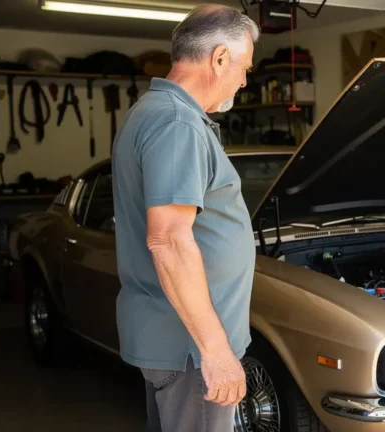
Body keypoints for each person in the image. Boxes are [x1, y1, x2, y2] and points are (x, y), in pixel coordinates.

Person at [111, 4, 260, 431]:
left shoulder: (156, 111)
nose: (245, 80)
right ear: (218, 58)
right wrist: (215, 352)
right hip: (191, 349)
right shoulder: (177, 122)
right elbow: (169, 241)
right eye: (243, 67)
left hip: (180, 341)